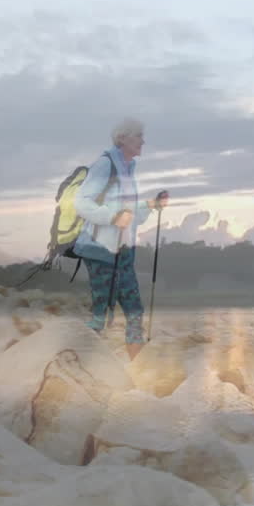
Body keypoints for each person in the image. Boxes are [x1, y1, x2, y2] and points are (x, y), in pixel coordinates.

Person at [72, 117, 169, 361]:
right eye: (137, 135)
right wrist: (112, 216)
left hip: (123, 252)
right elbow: (81, 202)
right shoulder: (105, 165)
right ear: (122, 138)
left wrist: (152, 205)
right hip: (99, 250)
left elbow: (130, 213)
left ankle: (137, 372)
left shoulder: (128, 170)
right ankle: (80, 367)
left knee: (134, 310)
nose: (142, 141)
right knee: (101, 314)